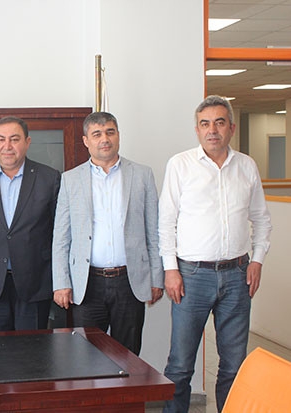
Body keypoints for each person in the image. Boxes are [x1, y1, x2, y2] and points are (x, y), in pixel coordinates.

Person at [159, 95, 272, 413]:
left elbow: (261, 219)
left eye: (219, 123)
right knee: (180, 365)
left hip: (237, 276)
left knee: (234, 365)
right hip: (191, 277)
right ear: (197, 129)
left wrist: (257, 260)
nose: (212, 130)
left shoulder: (246, 166)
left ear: (231, 128)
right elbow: (166, 222)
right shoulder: (180, 165)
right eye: (205, 124)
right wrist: (170, 269)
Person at [52, 111, 163, 355]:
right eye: (97, 134)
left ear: (118, 136)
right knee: (86, 356)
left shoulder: (142, 175)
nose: (104, 139)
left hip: (129, 281)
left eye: (110, 132)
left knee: (128, 355)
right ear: (86, 141)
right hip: (87, 283)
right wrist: (61, 283)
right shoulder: (70, 179)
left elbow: (153, 230)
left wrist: (157, 277)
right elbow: (61, 237)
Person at [0, 116, 60, 331]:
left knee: (32, 347)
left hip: (35, 280)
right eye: (1, 139)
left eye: (14, 139)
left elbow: (59, 234)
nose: (7, 146)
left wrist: (61, 281)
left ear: (27, 142)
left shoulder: (49, 178)